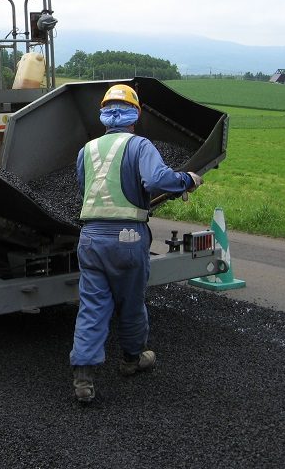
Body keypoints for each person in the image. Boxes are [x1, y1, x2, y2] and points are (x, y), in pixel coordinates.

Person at [70, 84, 203, 403]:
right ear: (136, 115)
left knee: (92, 306)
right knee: (130, 302)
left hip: (89, 238)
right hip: (127, 239)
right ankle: (132, 359)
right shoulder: (140, 145)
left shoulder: (85, 150)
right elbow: (157, 180)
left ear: (104, 116)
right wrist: (187, 180)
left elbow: (82, 186)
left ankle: (83, 378)